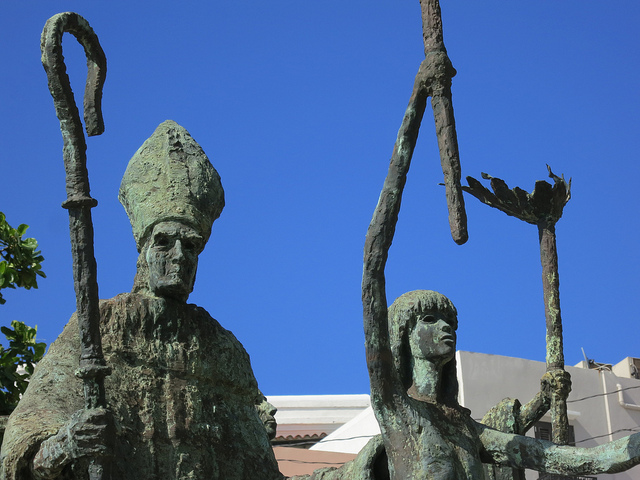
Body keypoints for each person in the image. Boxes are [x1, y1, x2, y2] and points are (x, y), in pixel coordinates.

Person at [0, 121, 283, 480]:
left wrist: (369, 463)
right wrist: (68, 443)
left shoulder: (225, 353)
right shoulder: (97, 327)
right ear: (144, 250)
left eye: (192, 245)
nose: (180, 256)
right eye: (165, 242)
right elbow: (24, 456)